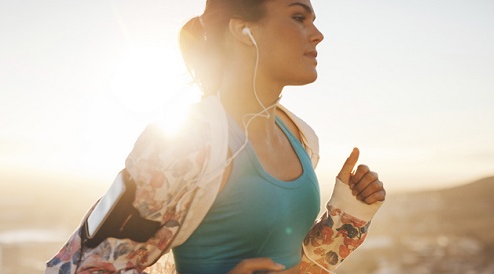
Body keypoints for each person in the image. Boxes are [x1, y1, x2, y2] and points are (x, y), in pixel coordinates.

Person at [46, 0, 386, 273]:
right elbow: (82, 268)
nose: (318, 35)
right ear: (244, 30)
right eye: (299, 16)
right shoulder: (183, 144)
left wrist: (348, 214)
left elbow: (298, 265)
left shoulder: (301, 137)